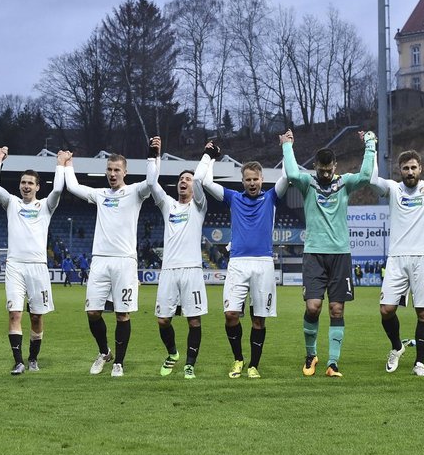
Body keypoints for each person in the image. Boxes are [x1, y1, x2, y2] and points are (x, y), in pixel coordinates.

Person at [281, 128, 376, 378]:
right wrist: (287, 146)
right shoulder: (307, 183)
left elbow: (366, 175)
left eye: (329, 169)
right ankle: (311, 355)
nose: (325, 173)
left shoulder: (345, 182)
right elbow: (291, 172)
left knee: (336, 310)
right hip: (314, 254)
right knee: (313, 307)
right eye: (321, 170)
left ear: (335, 165)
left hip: (340, 255)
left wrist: (370, 143)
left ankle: (333, 363)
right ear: (315, 166)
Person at [63, 140, 158, 377]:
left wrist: (153, 155)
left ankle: (120, 363)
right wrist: (67, 165)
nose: (112, 174)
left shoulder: (135, 191)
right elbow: (73, 187)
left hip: (125, 260)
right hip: (100, 260)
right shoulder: (100, 195)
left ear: (125, 172)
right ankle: (105, 352)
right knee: (93, 312)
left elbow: (152, 181)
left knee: (122, 314)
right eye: (109, 169)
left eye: (117, 170)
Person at [369, 131, 424, 377]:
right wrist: (371, 149)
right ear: (399, 170)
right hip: (396, 258)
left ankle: (419, 363)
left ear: (421, 169)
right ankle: (397, 347)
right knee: (386, 309)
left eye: (413, 168)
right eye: (405, 168)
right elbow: (372, 179)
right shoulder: (393, 189)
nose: (409, 172)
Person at [202, 139, 289, 379]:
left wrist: (286, 147)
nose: (252, 183)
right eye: (248, 179)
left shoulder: (271, 197)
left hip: (263, 263)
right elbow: (205, 182)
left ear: (262, 179)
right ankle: (238, 359)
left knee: (258, 319)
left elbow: (289, 174)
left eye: (255, 179)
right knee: (231, 315)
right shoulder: (233, 197)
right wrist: (210, 157)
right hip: (238, 263)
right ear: (242, 181)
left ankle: (254, 365)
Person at [0, 146, 66, 375]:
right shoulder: (12, 203)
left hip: (38, 268)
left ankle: (33, 358)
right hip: (15, 266)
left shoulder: (45, 206)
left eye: (30, 183)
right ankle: (18, 361)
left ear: (37, 187)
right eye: (23, 182)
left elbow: (59, 188)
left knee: (36, 316)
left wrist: (60, 164)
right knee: (14, 313)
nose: (26, 186)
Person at [149, 138, 213, 379]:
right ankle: (173, 353)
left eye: (187, 179)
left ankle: (190, 364)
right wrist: (154, 156)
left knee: (193, 320)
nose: (184, 182)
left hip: (192, 271)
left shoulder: (199, 206)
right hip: (169, 271)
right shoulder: (168, 206)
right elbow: (152, 184)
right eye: (180, 180)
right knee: (163, 320)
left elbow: (198, 179)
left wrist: (207, 156)